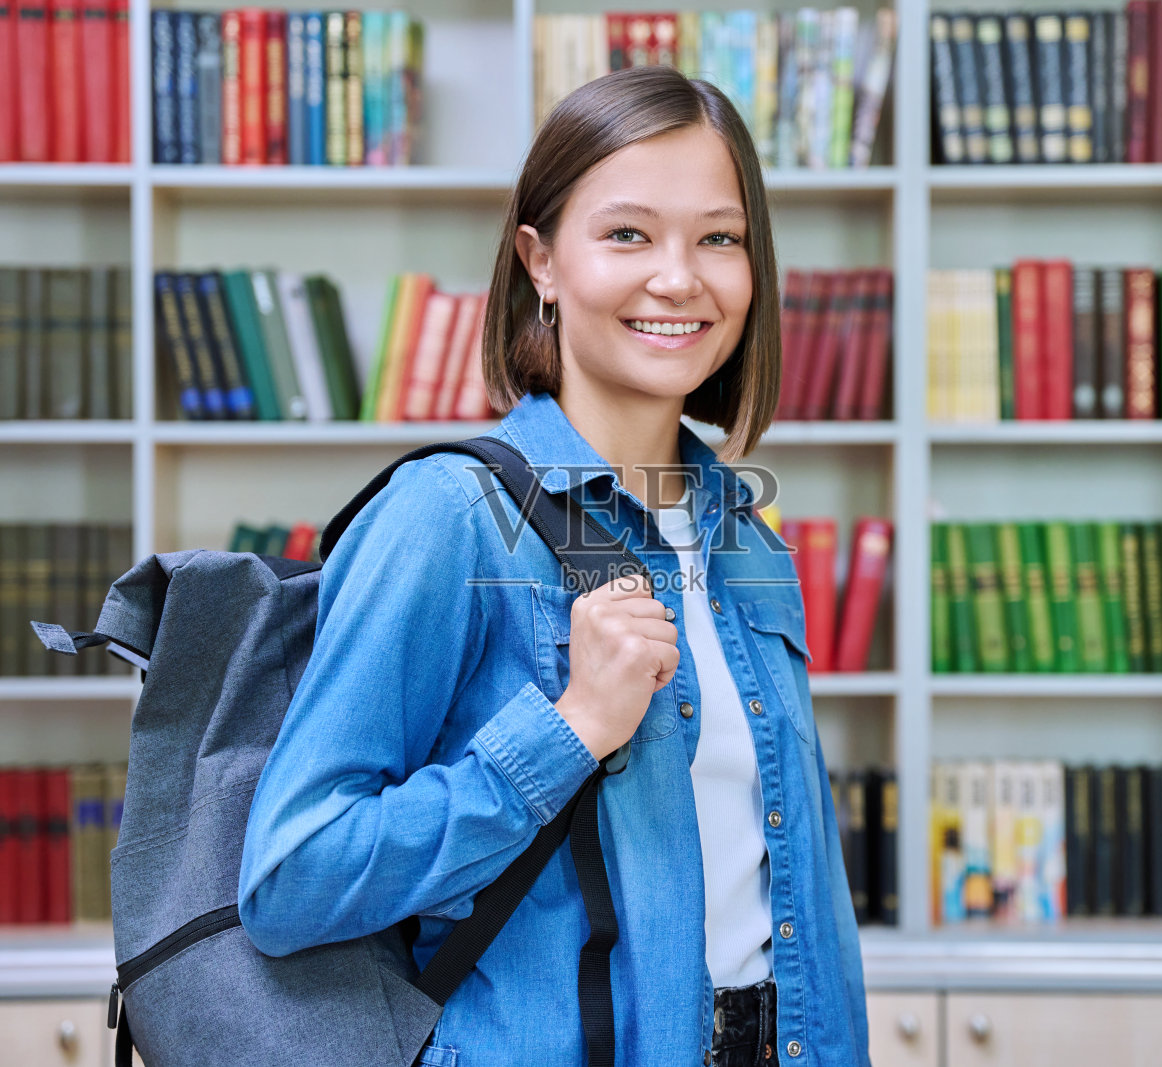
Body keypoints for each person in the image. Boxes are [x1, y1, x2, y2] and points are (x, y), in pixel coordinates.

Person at [237, 64, 870, 1067]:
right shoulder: (448, 518)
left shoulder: (744, 533)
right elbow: (291, 876)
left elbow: (796, 889)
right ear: (540, 259)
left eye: (720, 237)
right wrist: (572, 727)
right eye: (627, 233)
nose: (680, 277)